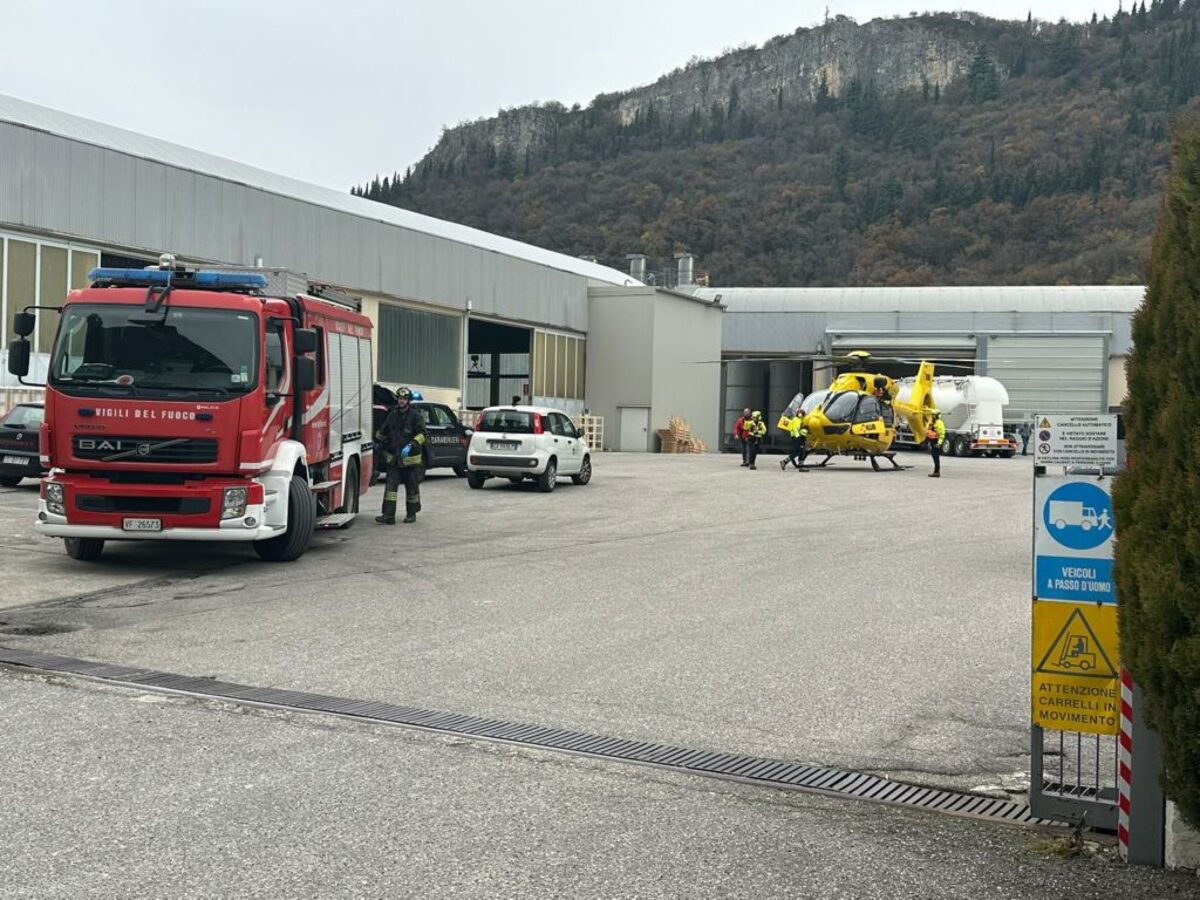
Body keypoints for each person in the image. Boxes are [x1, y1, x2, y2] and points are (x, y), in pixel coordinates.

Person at [375, 387, 427, 524]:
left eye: (404, 399)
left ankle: (411, 514)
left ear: (408, 401)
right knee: (390, 489)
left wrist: (411, 445)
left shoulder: (416, 416)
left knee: (412, 489)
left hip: (411, 461)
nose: (401, 401)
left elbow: (423, 435)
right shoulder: (392, 415)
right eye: (400, 398)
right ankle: (388, 516)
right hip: (394, 459)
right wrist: (377, 442)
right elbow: (383, 431)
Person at [927, 408, 946, 478]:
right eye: (932, 415)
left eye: (934, 415)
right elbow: (929, 431)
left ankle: (937, 472)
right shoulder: (932, 422)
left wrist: (939, 443)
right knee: (934, 456)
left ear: (937, 415)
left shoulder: (939, 423)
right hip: (932, 441)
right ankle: (935, 471)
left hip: (936, 442)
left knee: (936, 457)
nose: (932, 416)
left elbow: (942, 434)